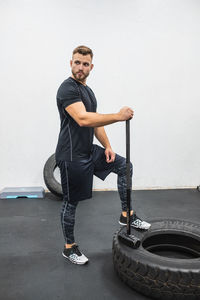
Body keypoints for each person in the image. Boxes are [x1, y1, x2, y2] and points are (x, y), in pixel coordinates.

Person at [55, 45, 151, 265]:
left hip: (89, 150)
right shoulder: (67, 89)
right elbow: (83, 119)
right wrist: (118, 116)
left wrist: (107, 145)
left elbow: (95, 121)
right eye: (77, 62)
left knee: (124, 166)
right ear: (71, 63)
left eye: (85, 64)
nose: (80, 67)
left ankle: (126, 214)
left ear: (91, 67)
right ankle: (69, 247)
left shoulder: (88, 91)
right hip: (71, 156)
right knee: (72, 202)